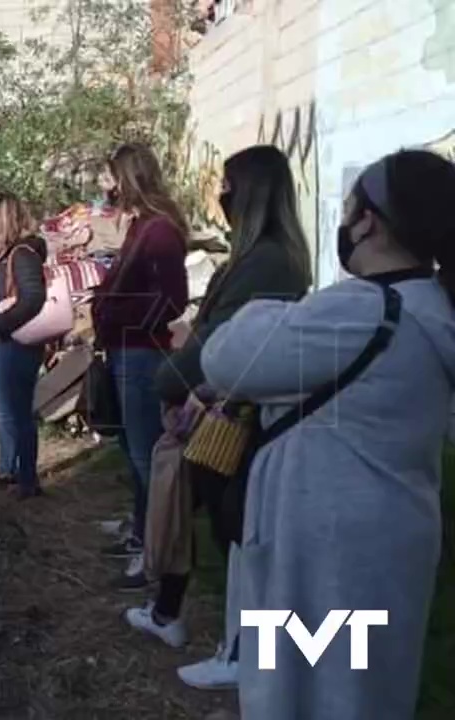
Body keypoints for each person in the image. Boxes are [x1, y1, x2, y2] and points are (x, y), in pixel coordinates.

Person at [199, 149, 455, 720]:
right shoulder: (433, 309)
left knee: (299, 693)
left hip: (320, 548)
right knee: (362, 692)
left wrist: (262, 311)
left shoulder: (363, 310)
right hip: (385, 539)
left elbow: (225, 359)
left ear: (368, 220)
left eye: (349, 208)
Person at [121, 146, 313, 689]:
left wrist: (167, 382)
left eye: (226, 186)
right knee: (209, 515)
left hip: (236, 416)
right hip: (229, 409)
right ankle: (177, 617)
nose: (219, 195)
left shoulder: (267, 262)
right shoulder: (260, 257)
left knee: (239, 533)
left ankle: (247, 654)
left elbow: (218, 343)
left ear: (248, 193)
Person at [90, 143, 189, 590]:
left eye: (109, 177)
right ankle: (140, 530)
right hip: (125, 348)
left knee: (146, 453)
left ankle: (156, 548)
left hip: (141, 352)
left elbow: (173, 299)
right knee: (133, 450)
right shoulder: (141, 226)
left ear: (129, 177)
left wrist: (120, 315)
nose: (103, 186)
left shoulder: (160, 230)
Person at [0, 193, 49, 498]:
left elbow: (33, 298)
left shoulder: (23, 253)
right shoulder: (7, 254)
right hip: (2, 345)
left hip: (12, 347)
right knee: (8, 412)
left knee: (15, 414)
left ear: (0, 221)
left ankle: (25, 479)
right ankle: (9, 471)